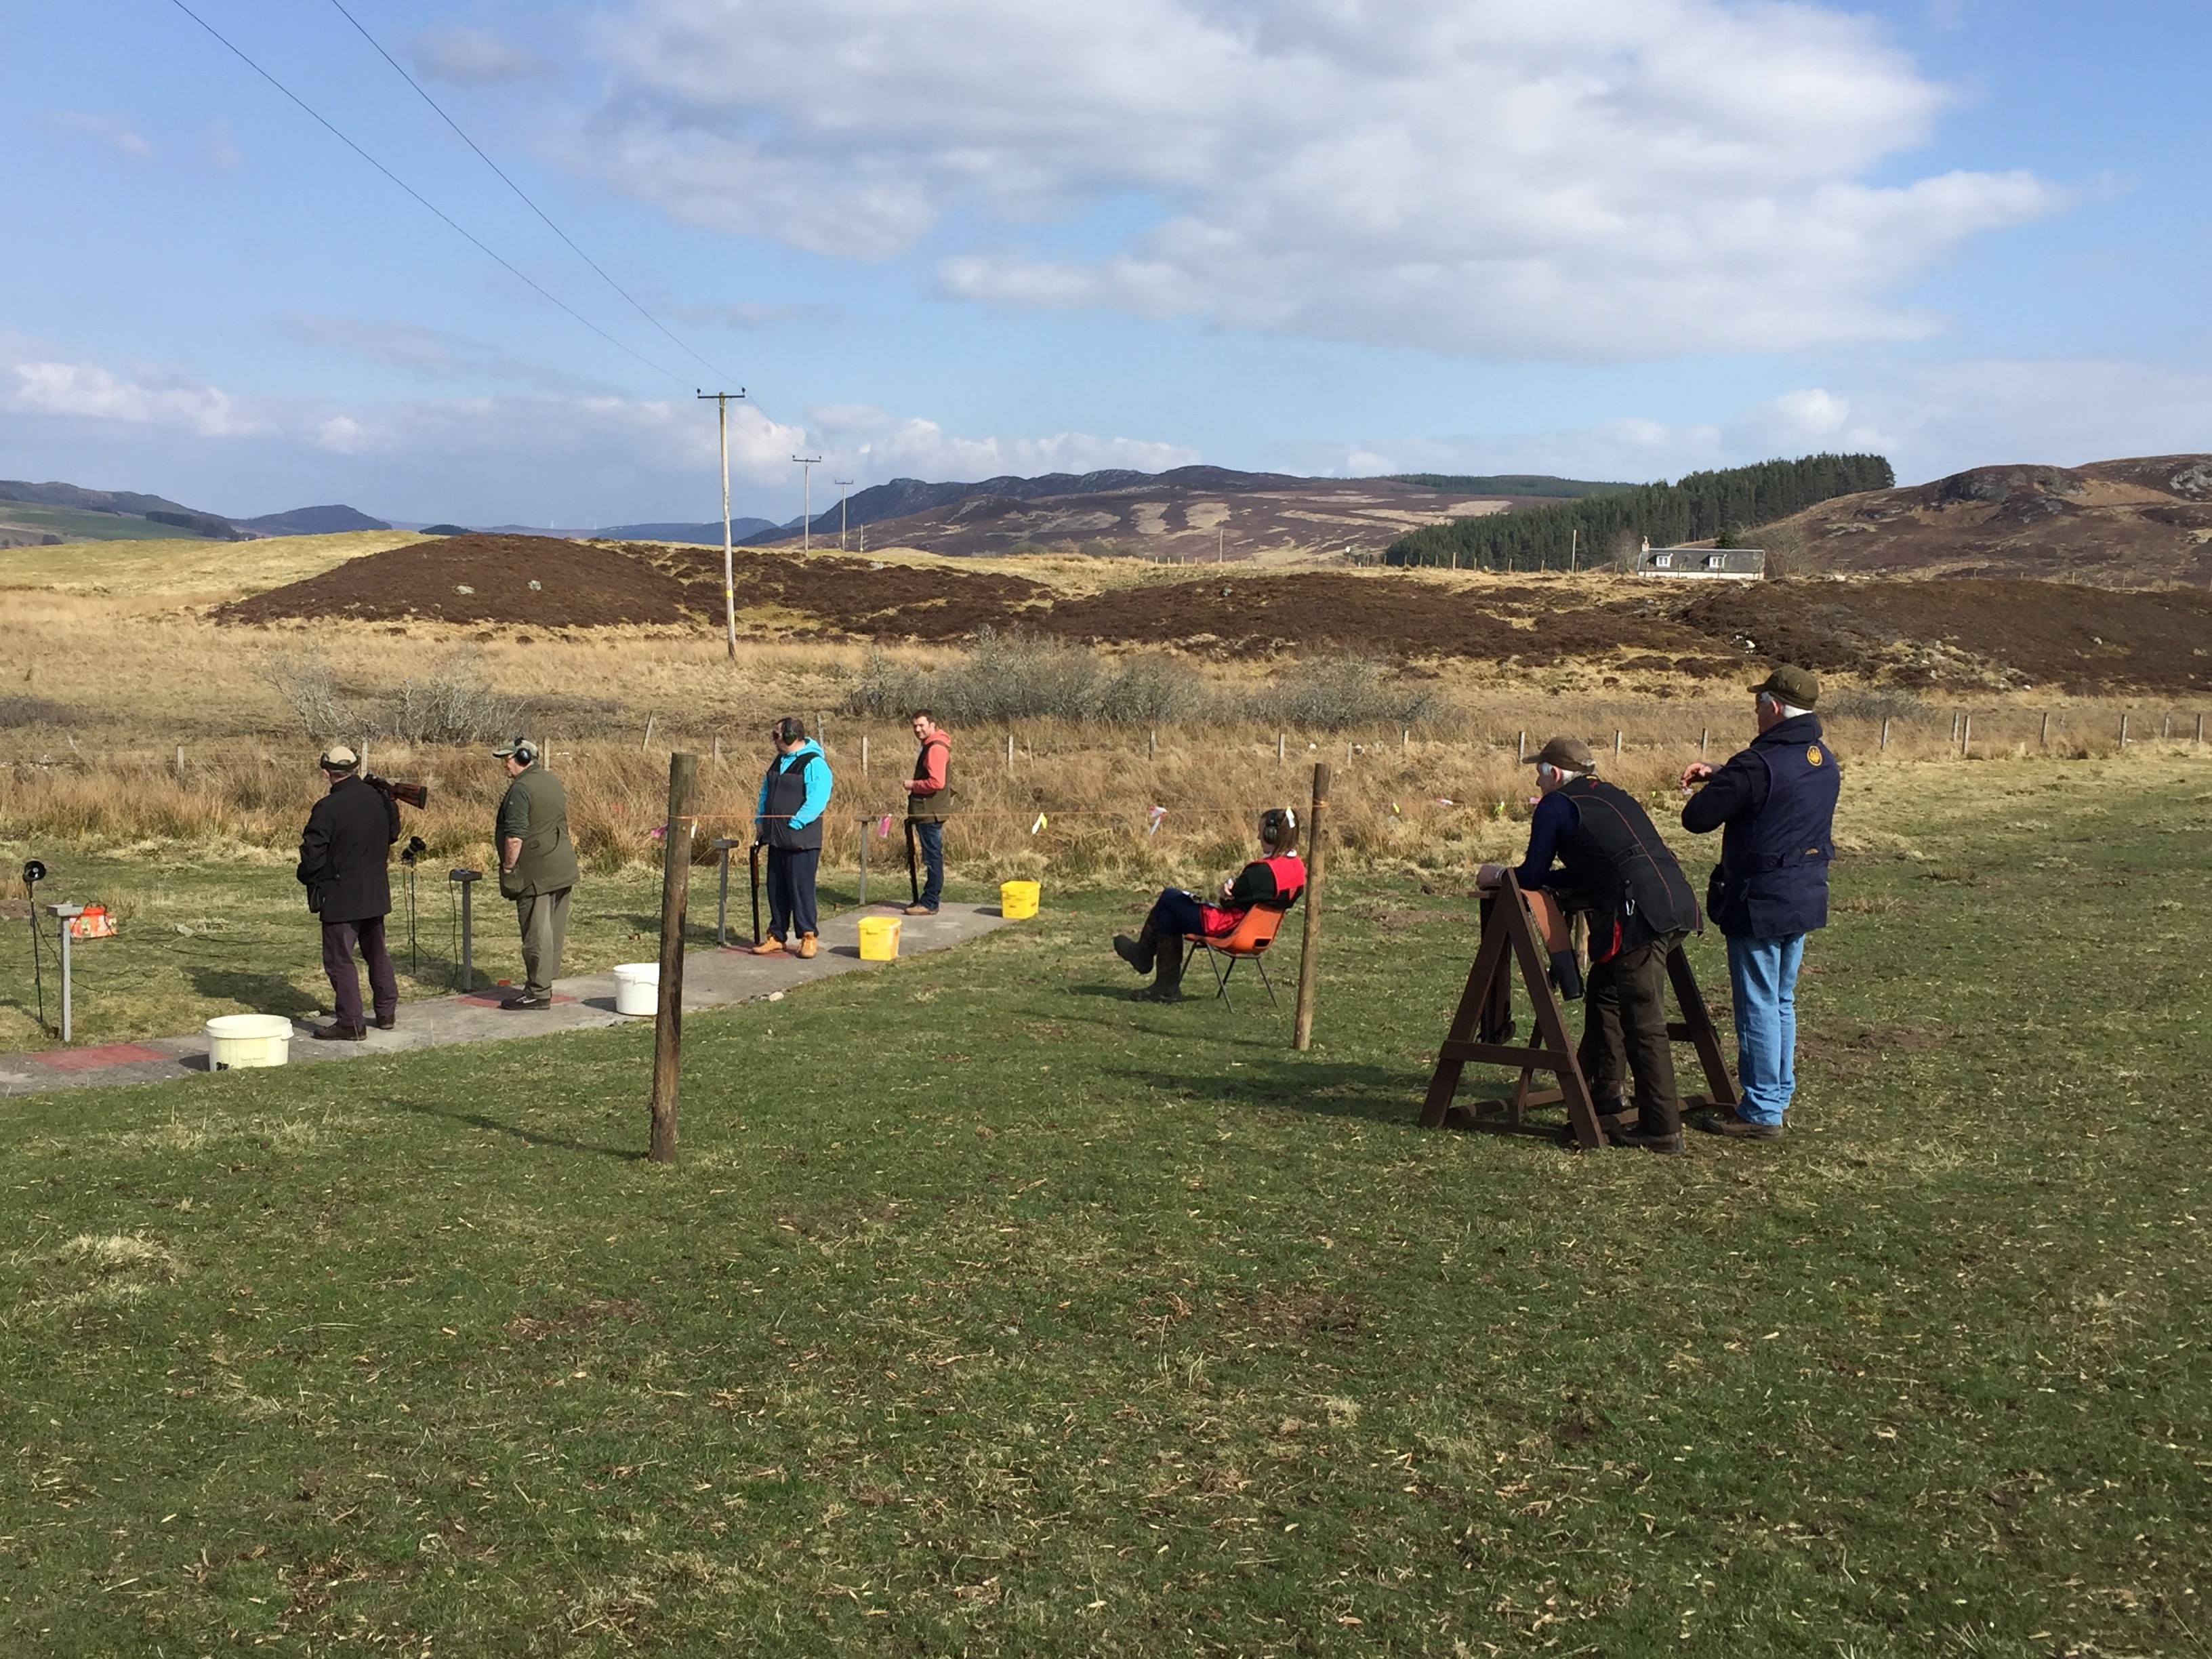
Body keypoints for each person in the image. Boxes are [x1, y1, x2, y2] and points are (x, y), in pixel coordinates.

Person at [1479, 736, 1700, 1153]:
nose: (1538, 781)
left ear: (1556, 774)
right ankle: (1606, 1092)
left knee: (1643, 1019)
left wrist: (1500, 873)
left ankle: (1662, 1128)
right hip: (1674, 902)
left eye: (1540, 773)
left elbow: (1531, 875)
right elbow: (1595, 868)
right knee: (1606, 992)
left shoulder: (1556, 806)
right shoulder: (1613, 796)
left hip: (1638, 912)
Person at [1679, 665, 1839, 1141]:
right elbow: (1778, 789)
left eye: (1758, 703)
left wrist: (1724, 780)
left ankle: (1763, 1109)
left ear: (1773, 706)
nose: (1755, 711)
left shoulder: (1756, 764)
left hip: (1760, 898)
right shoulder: (1821, 758)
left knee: (1757, 1005)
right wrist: (1725, 774)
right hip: (1804, 892)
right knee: (1781, 999)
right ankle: (1776, 1094)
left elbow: (1697, 819)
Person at [1113, 808, 1304, 1002]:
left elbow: (1229, 900)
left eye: (1261, 831)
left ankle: (1144, 957)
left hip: (1229, 927)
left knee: (1170, 896)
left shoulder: (1262, 871)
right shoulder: (1297, 867)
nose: (1258, 837)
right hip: (1258, 931)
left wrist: (1225, 892)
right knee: (1167, 916)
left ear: (1271, 835)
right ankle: (1164, 986)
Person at [295, 744, 401, 1041]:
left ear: (327, 772)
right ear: (355, 768)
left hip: (341, 895)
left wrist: (308, 877)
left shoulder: (327, 808)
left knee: (339, 959)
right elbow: (393, 834)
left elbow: (312, 855)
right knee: (377, 953)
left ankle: (351, 1022)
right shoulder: (380, 799)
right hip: (375, 891)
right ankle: (386, 1011)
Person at [493, 737, 579, 1010]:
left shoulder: (520, 789)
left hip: (536, 872)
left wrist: (508, 867)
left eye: (507, 760)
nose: (504, 766)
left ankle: (538, 992)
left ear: (522, 757)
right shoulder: (550, 780)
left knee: (536, 933)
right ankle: (545, 981)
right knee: (553, 930)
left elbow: (515, 836)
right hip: (561, 865)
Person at [751, 717, 832, 958]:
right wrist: (761, 821)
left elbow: (818, 798)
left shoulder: (814, 763)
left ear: (789, 737)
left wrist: (796, 822)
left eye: (777, 735)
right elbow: (766, 791)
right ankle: (776, 935)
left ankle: (808, 936)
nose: (773, 740)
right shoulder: (778, 761)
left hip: (801, 840)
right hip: (775, 838)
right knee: (776, 889)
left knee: (801, 890)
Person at [902, 710, 952, 916]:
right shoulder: (931, 745)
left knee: (932, 858)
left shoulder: (935, 749)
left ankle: (930, 901)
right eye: (915, 726)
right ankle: (929, 899)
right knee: (932, 856)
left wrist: (912, 784)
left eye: (922, 725)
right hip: (928, 810)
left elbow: (936, 782)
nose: (918, 729)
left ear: (933, 725)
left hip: (930, 811)